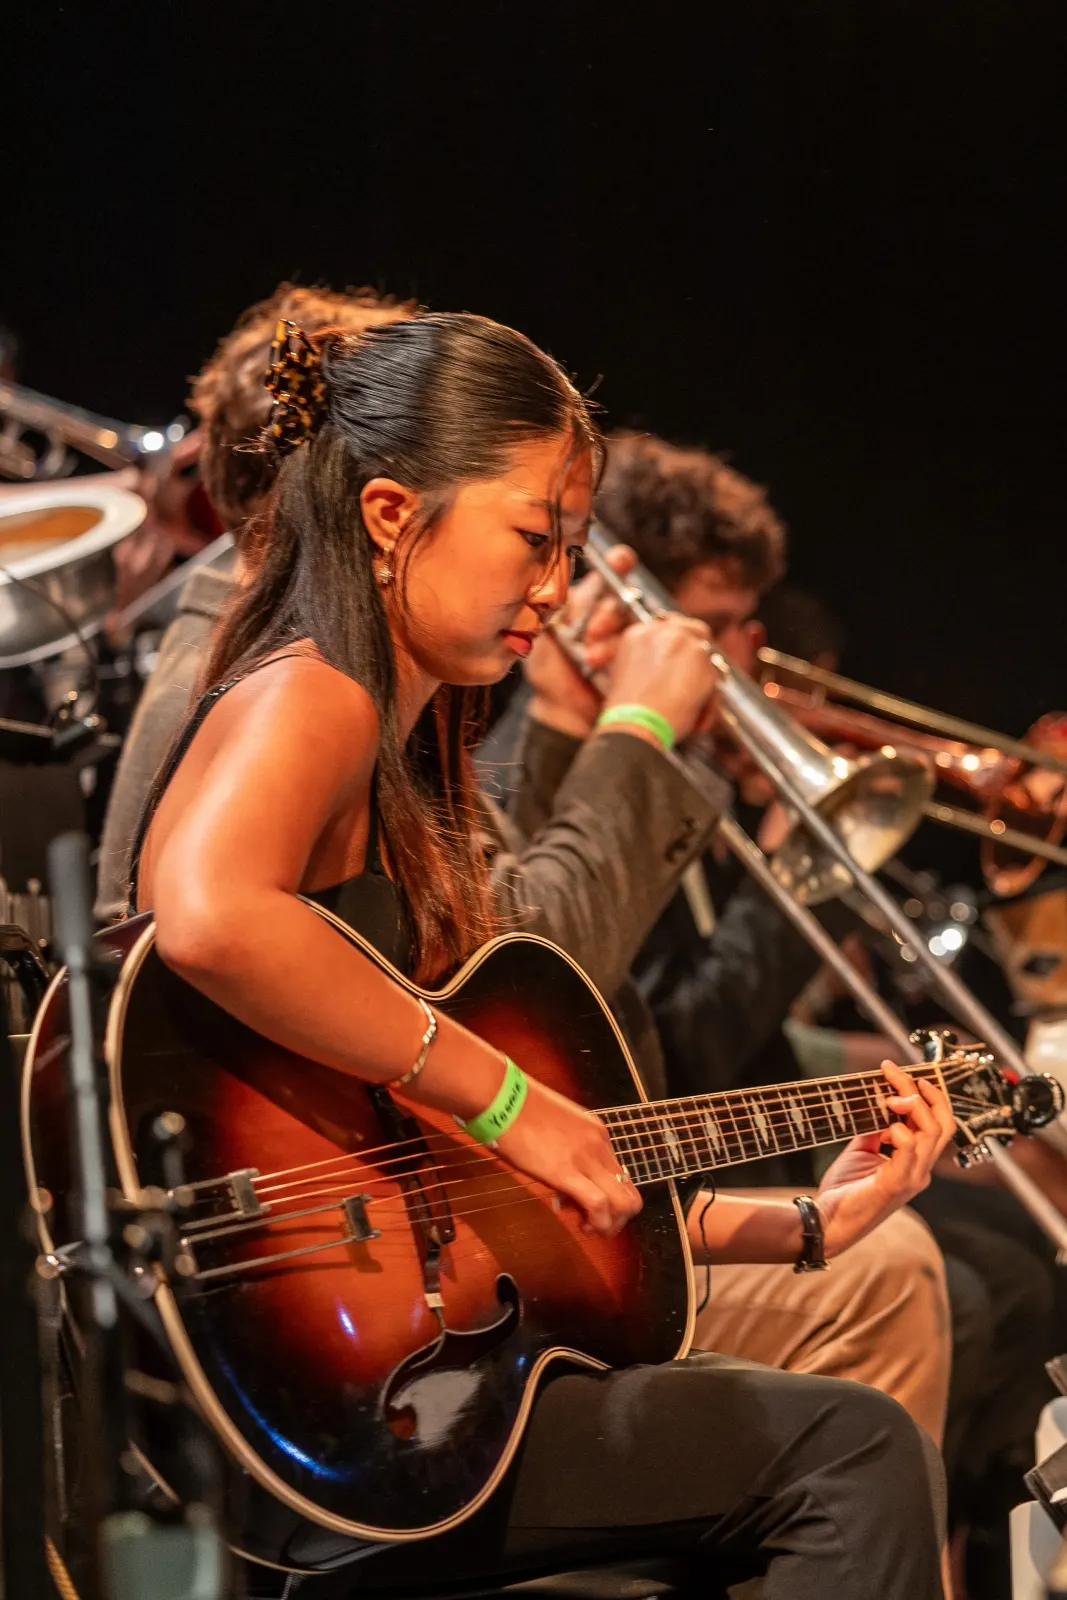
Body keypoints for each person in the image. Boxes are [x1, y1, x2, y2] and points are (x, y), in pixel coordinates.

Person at [132, 312, 953, 1598]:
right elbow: (206, 909)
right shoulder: (319, 689)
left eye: (569, 549)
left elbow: (511, 1199)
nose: (560, 590)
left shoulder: (405, 746)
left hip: (401, 1387)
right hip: (331, 1422)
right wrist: (508, 1097)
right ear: (393, 513)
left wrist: (809, 1219)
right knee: (849, 1452)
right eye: (534, 539)